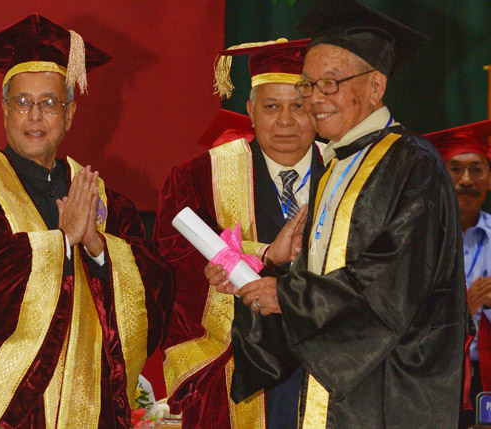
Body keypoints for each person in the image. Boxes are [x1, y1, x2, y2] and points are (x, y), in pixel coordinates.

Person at [207, 0, 466, 426]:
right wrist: (270, 272)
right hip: (337, 393)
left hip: (390, 389)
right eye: (308, 85)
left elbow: (392, 283)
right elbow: (332, 282)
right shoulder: (335, 169)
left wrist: (286, 296)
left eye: (330, 84)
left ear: (376, 87)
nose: (314, 100)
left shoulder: (412, 164)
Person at [0, 14, 172, 428]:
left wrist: (98, 247)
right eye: (22, 102)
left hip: (92, 411)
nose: (35, 115)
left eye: (50, 103)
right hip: (3, 419)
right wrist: (60, 241)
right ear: (4, 109)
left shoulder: (104, 201)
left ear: (70, 113)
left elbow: (156, 292)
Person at [153, 38, 323, 428]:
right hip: (234, 373)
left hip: (330, 368)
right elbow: (170, 266)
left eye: (298, 106)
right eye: (271, 106)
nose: (285, 120)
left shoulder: (348, 177)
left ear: (316, 108)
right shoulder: (197, 177)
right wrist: (259, 256)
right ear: (249, 110)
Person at [426, 120, 491, 428]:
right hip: (433, 375)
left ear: (489, 179)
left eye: (477, 169)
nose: (467, 180)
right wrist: (463, 310)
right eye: (455, 169)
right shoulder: (418, 237)